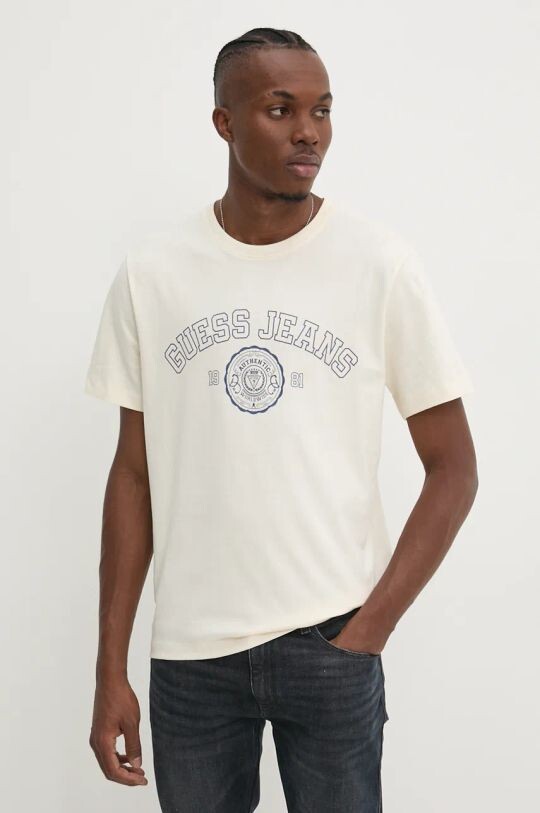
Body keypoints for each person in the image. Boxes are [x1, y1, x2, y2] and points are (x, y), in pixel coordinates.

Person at [84, 27, 478, 813]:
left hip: (331, 642)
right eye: (280, 108)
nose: (309, 132)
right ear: (224, 122)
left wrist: (368, 631)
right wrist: (109, 668)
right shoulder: (153, 274)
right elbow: (133, 475)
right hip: (192, 656)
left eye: (322, 110)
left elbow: (454, 468)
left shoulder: (379, 264)